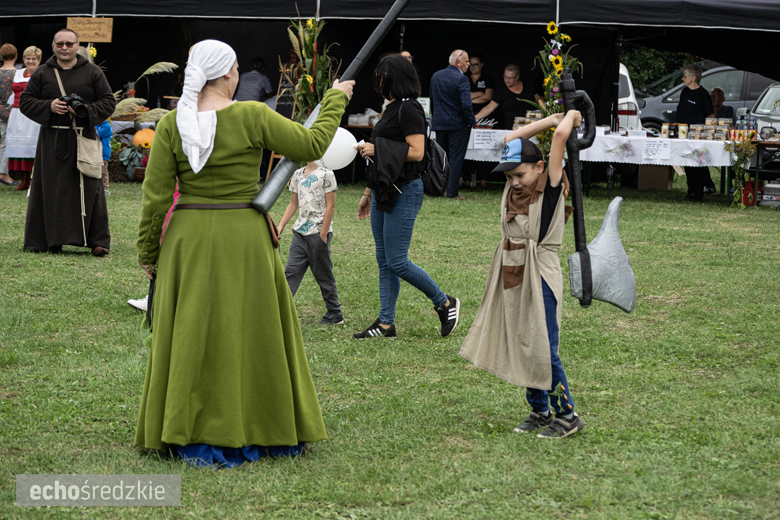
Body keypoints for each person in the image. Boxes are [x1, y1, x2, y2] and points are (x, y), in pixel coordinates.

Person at [134, 39, 354, 467]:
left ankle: (188, 427)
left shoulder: (170, 125)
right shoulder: (253, 115)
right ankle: (262, 424)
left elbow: (155, 198)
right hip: (244, 237)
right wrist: (334, 100)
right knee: (251, 331)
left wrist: (149, 251)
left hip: (188, 239)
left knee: (194, 331)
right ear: (231, 73)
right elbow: (311, 146)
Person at [460, 110, 586, 439]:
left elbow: (559, 138)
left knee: (542, 344)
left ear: (540, 168)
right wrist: (549, 118)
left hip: (539, 272)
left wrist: (570, 116)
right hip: (511, 270)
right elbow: (509, 140)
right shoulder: (515, 189)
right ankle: (539, 409)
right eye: (509, 177)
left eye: (520, 175)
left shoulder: (551, 186)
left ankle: (567, 415)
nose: (515, 182)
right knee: (521, 339)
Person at [354, 53, 460, 340]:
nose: (378, 81)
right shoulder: (391, 108)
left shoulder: (410, 109)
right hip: (383, 189)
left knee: (397, 261)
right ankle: (386, 323)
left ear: (394, 78)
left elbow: (417, 152)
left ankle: (445, 302)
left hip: (405, 190)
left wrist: (376, 150)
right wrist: (367, 191)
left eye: (382, 76)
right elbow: (383, 149)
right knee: (384, 259)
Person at [19, 28, 115, 255]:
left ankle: (97, 241)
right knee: (53, 189)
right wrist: (48, 106)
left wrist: (86, 111)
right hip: (53, 140)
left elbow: (108, 102)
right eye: (60, 44)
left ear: (77, 45)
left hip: (84, 138)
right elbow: (25, 101)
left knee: (91, 188)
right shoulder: (42, 73)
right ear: (53, 45)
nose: (64, 48)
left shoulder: (92, 72)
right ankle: (51, 240)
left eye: (69, 44)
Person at [277, 160, 344, 325]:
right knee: (290, 272)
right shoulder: (298, 174)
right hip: (300, 233)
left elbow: (331, 206)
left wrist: (323, 233)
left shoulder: (327, 174)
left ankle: (335, 313)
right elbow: (293, 204)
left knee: (323, 275)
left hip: (318, 234)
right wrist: (280, 226)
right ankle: (280, 311)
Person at [429, 49, 475, 200]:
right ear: (458, 62)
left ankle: (438, 189)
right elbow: (466, 105)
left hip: (440, 123)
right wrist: (470, 121)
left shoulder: (436, 76)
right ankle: (452, 192)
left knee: (441, 158)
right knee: (455, 158)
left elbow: (433, 100)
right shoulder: (462, 79)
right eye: (467, 61)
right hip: (458, 125)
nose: (469, 65)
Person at [6, 46, 43, 191]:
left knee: (32, 148)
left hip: (33, 115)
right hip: (17, 114)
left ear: (39, 60)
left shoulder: (41, 74)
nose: (31, 61)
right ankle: (24, 180)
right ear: (23, 59)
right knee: (19, 148)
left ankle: (35, 181)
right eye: (28, 58)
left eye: (34, 58)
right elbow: (13, 94)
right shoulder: (18, 73)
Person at [676, 65, 714, 201]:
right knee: (687, 162)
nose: (682, 78)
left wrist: (707, 133)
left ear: (693, 78)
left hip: (697, 135)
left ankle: (698, 194)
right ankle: (690, 192)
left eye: (685, 76)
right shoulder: (684, 92)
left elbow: (710, 115)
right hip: (683, 133)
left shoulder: (703, 94)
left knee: (697, 163)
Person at [474, 64, 543, 130]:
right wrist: (474, 118)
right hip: (512, 128)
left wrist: (547, 110)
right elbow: (489, 107)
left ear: (517, 77)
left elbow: (538, 99)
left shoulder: (527, 86)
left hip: (532, 126)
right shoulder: (501, 91)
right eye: (505, 77)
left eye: (510, 78)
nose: (507, 80)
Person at [463, 52, 495, 189]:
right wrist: (479, 94)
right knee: (466, 145)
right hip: (466, 114)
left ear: (482, 65)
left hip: (484, 115)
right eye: (471, 64)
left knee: (484, 147)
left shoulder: (488, 78)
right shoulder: (463, 78)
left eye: (476, 64)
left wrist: (469, 98)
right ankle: (467, 180)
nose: (473, 67)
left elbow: (488, 97)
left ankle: (483, 180)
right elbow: (462, 97)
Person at [0, 43, 18, 186]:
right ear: (16, 55)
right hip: (12, 111)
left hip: (0, 110)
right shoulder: (17, 74)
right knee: (7, 142)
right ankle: (3, 173)